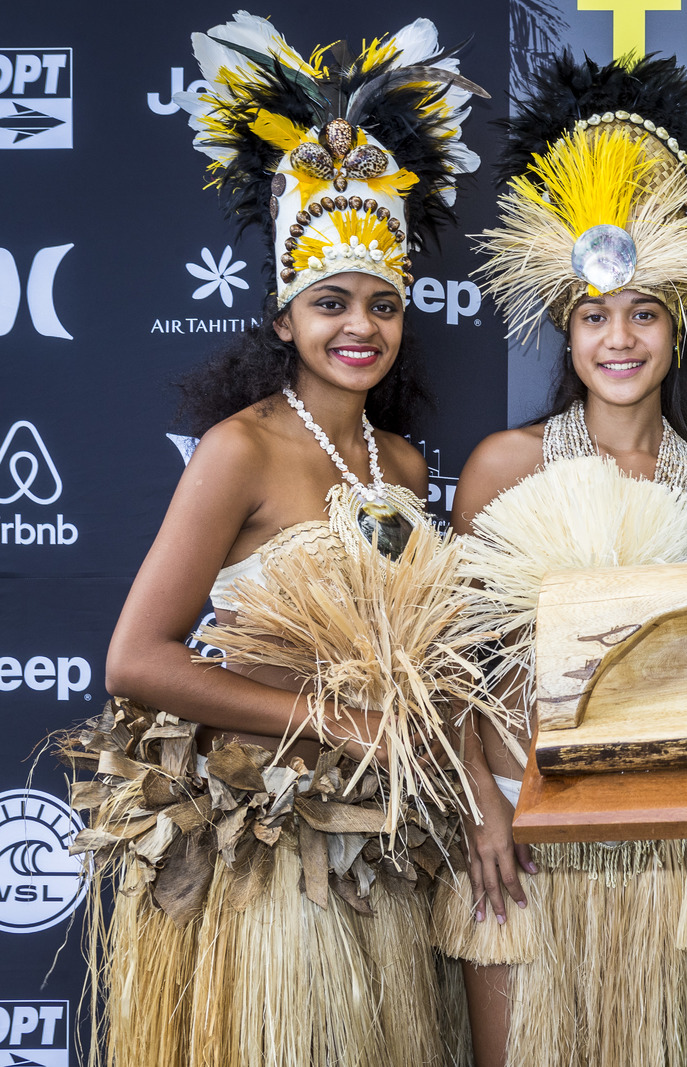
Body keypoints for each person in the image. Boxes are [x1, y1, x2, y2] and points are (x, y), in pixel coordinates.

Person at [63, 13, 483, 1067]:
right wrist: (326, 719)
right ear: (284, 314)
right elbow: (137, 659)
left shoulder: (406, 465)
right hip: (270, 849)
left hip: (378, 845)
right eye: (331, 300)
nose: (361, 326)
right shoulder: (237, 450)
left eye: (383, 303)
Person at [429, 53, 687, 1067]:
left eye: (643, 313)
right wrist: (482, 808)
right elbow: (441, 661)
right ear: (566, 332)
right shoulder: (505, 463)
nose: (619, 338)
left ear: (679, 327)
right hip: (517, 835)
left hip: (653, 845)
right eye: (594, 315)